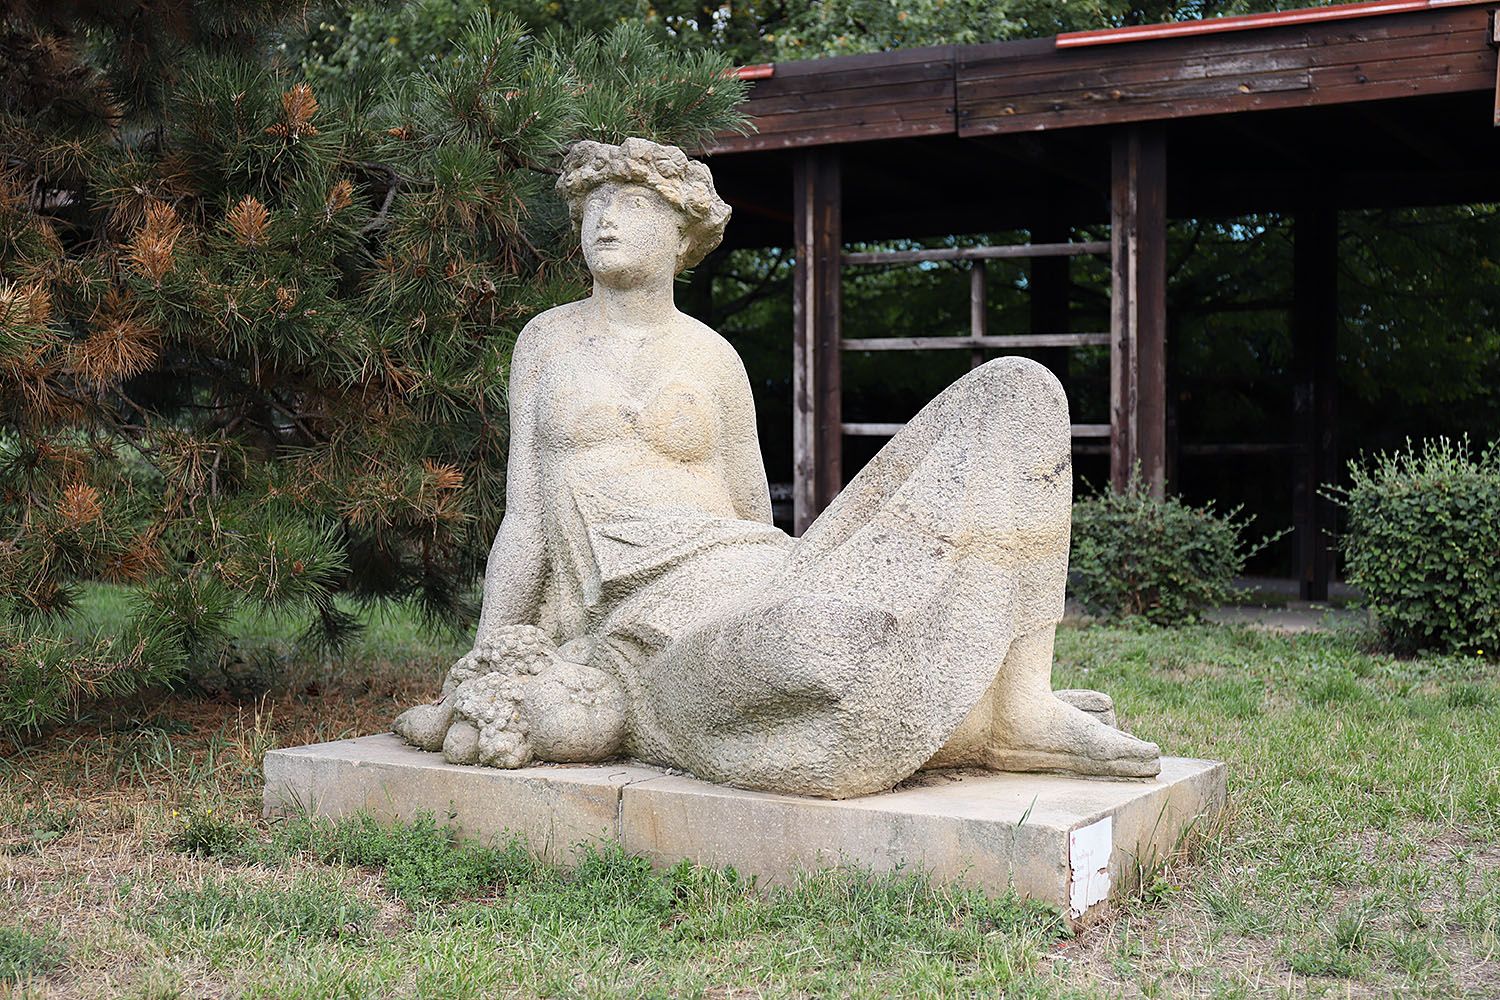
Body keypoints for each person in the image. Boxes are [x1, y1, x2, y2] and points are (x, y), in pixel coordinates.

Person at [394, 138, 1160, 798]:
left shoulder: (715, 358)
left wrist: (787, 582)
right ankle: (953, 702)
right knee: (814, 644)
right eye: (594, 203)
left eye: (632, 202)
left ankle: (1020, 702)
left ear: (683, 229)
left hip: (757, 572)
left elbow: (755, 515)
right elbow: (526, 519)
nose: (606, 219)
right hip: (643, 624)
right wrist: (484, 663)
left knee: (1020, 389)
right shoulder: (547, 343)